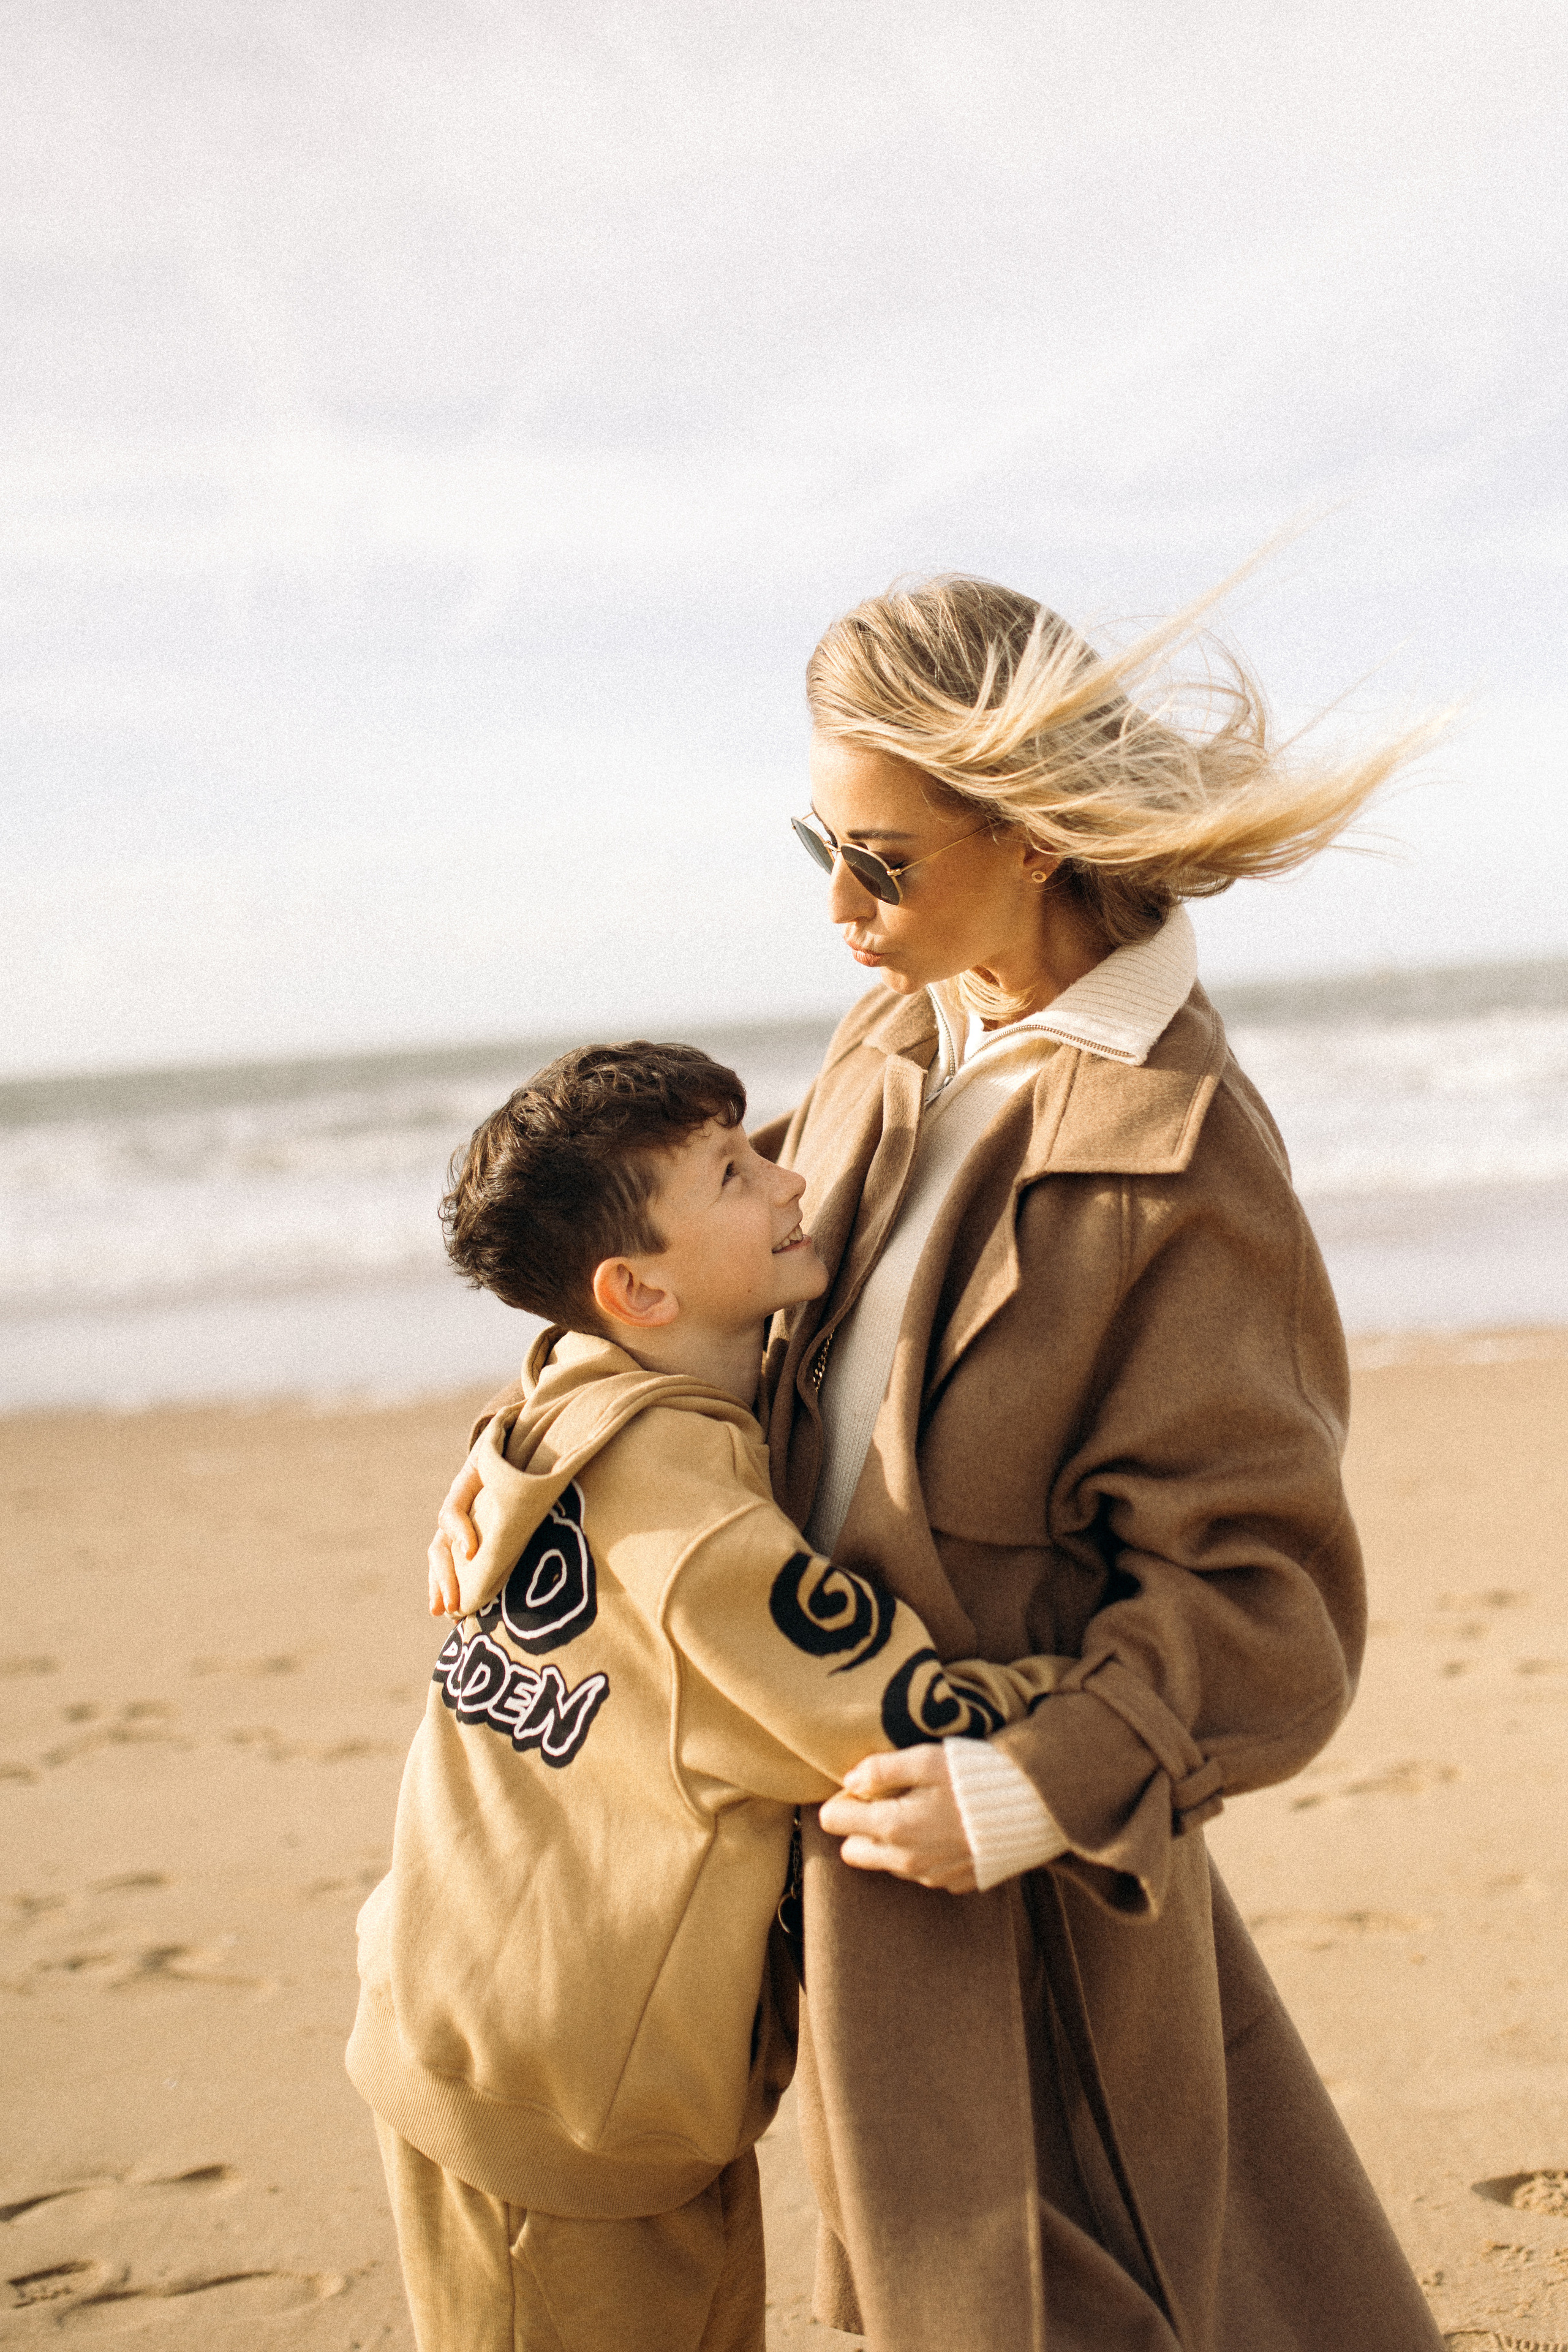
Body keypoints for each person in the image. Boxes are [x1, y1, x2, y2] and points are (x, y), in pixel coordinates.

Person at [432, 576, 1446, 2351]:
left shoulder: (1181, 1159)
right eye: (818, 844)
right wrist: (545, 1446)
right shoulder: (895, 1035)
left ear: (1040, 835)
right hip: (834, 1851)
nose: (838, 906)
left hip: (1028, 1884)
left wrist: (1040, 1784)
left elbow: (1270, 1607)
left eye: (882, 862)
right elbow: (687, 1294)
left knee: (1102, 2291)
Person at [350, 1039, 1066, 2352]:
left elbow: (548, 1373)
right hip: (569, 2109)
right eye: (735, 1174)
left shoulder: (570, 1390)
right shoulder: (699, 1547)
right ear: (635, 1286)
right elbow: (917, 1720)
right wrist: (1099, 1679)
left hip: (469, 2019)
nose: (794, 1184)